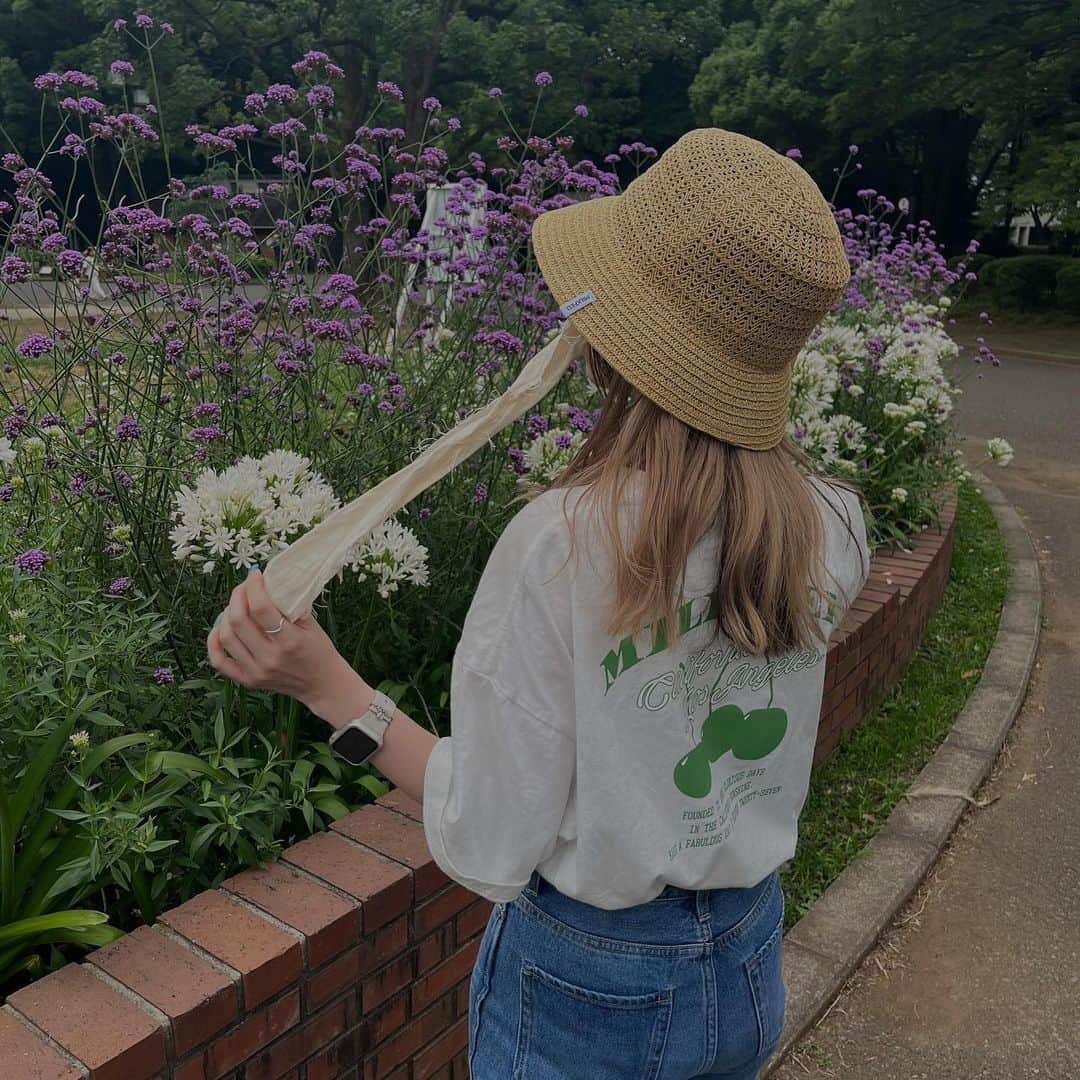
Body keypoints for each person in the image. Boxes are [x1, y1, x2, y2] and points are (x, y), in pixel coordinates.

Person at [207, 128, 871, 1079]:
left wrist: (329, 689)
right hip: (750, 952)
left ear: (612, 342)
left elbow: (490, 836)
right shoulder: (835, 523)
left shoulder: (567, 545)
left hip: (590, 987)